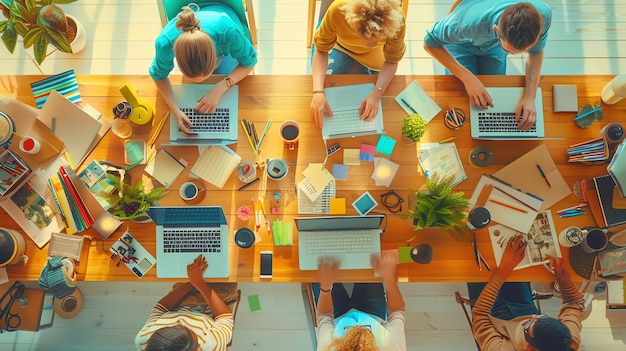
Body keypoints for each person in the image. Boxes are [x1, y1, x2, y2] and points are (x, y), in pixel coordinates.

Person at [423, 0, 552, 130]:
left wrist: (530, 97)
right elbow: (429, 43)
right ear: (496, 29)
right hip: (461, 45)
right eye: (509, 51)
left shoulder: (543, 16)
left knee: (493, 92)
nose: (513, 54)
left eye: (520, 52)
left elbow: (536, 53)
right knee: (462, 98)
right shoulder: (464, 24)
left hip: (495, 46)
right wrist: (468, 78)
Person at [150, 4, 257, 135]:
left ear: (216, 58)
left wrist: (220, 87)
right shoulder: (164, 43)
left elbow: (250, 63)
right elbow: (158, 75)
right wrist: (176, 111)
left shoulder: (229, 33)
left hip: (225, 11)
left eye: (206, 74)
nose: (199, 81)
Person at [470, 235, 585, 351]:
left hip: (493, 319)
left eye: (529, 325)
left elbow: (480, 316)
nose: (534, 316)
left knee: (472, 259)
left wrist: (504, 269)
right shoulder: (566, 343)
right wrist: (562, 276)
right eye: (541, 317)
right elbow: (575, 303)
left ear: (529, 348)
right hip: (524, 307)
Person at [310, 0, 406, 128]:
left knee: (382, 98)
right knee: (327, 87)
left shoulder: (396, 19)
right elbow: (321, 50)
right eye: (364, 38)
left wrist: (377, 94)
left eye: (375, 39)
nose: (368, 44)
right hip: (339, 46)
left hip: (375, 55)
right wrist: (317, 92)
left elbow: (392, 61)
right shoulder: (338, 10)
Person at [135, 255, 233, 351]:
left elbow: (160, 309)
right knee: (229, 267)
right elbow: (224, 317)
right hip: (211, 311)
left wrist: (191, 283)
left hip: (179, 303)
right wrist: (198, 282)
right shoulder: (210, 346)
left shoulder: (145, 341)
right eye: (198, 345)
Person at [316, 252, 406, 350]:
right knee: (368, 257)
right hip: (373, 316)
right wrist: (388, 278)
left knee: (324, 264)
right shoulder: (391, 347)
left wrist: (325, 286)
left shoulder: (329, 347)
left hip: (337, 319)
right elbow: (397, 312)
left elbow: (324, 315)